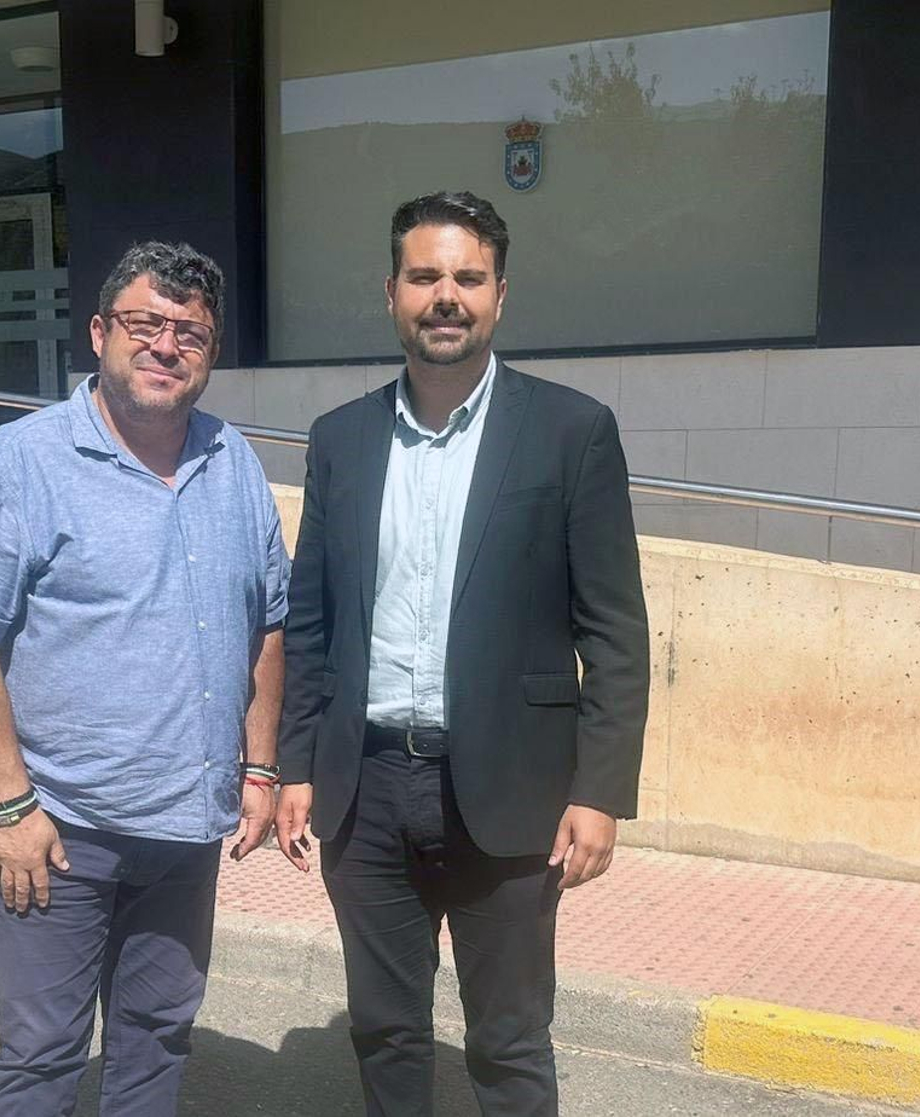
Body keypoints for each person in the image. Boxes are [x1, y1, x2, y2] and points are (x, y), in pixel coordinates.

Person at [275, 190, 650, 1115]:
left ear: (500, 294)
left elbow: (614, 628)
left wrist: (599, 790)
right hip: (365, 794)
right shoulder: (341, 440)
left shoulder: (572, 432)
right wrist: (294, 767)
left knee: (511, 1041)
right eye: (426, 276)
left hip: (512, 791)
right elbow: (313, 619)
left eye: (468, 278)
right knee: (386, 1032)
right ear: (392, 293)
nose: (447, 295)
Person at [0, 241, 289, 1117]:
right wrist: (9, 804)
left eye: (190, 333)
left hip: (187, 832)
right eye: (144, 324)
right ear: (98, 332)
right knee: (42, 1060)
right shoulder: (22, 461)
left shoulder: (232, 461)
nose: (166, 346)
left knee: (156, 1043)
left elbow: (267, 621)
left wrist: (262, 764)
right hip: (59, 831)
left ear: (211, 352)